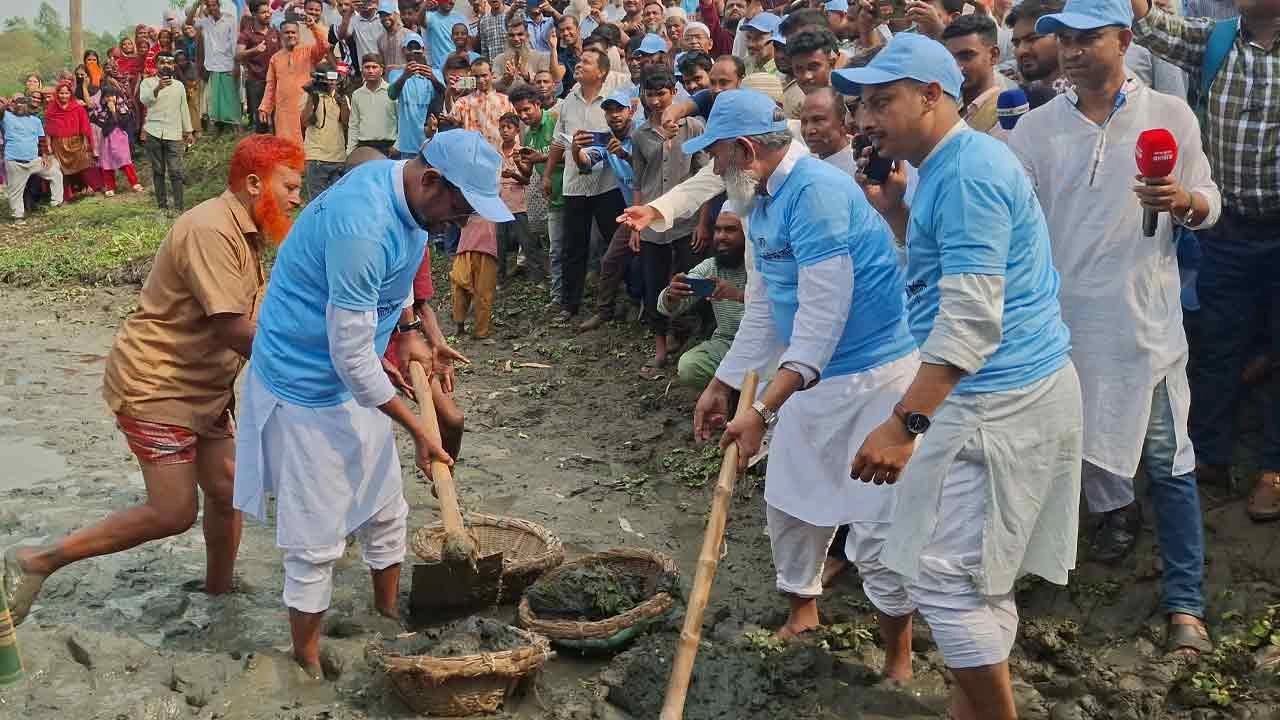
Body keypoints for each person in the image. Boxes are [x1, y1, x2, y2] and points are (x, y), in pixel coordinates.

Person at [836, 34, 1082, 720]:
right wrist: (895, 215)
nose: (865, 121)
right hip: (990, 390)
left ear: (932, 96)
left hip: (999, 398)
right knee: (977, 574)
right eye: (860, 106)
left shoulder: (968, 173)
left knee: (948, 582)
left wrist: (904, 423)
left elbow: (972, 320)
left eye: (882, 102)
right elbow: (950, 269)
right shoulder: (940, 167)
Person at [232, 130, 509, 677]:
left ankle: (386, 613)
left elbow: (399, 270)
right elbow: (352, 360)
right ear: (432, 181)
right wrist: (418, 429)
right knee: (316, 540)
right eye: (460, 205)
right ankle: (306, 662)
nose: (462, 218)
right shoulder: (363, 225)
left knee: (386, 511)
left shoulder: (408, 196)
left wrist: (408, 328)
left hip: (353, 376)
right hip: (305, 385)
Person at [1, 135, 305, 627]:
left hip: (202, 388)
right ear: (254, 183)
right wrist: (308, 368)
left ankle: (219, 594)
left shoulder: (246, 230)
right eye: (289, 186)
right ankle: (37, 560)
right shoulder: (210, 229)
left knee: (229, 491)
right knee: (173, 512)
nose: (296, 197)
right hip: (157, 385)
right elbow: (230, 326)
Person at [1006, 0, 1218, 656]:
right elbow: (1019, 233)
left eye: (1086, 38)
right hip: (1061, 328)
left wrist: (1186, 202)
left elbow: (1210, 201)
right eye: (1061, 39)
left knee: (1167, 457)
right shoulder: (1036, 131)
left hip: (1141, 328)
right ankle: (1024, 578)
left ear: (1124, 39)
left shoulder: (1168, 116)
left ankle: (1186, 604)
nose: (1070, 51)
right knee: (1047, 454)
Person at [688, 90, 920, 670]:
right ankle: (804, 607)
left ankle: (898, 653)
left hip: (875, 380)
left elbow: (820, 321)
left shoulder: (816, 195)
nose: (715, 170)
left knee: (877, 530)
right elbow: (768, 309)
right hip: (810, 379)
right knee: (789, 500)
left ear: (744, 149)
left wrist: (762, 411)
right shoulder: (758, 199)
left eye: (717, 156)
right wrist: (722, 383)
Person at [1126, 0, 1280, 523]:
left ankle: (1272, 471)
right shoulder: (1214, 41)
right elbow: (1148, 24)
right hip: (1226, 228)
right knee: (1216, 343)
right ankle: (1209, 456)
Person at [625, 66, 706, 375]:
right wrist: (634, 222)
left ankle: (691, 336)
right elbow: (637, 180)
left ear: (673, 93)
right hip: (650, 220)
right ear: (642, 96)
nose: (657, 101)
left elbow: (704, 175)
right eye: (650, 94)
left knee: (691, 280)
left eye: (662, 93)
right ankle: (660, 346)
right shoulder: (640, 133)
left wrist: (703, 222)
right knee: (652, 283)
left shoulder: (694, 128)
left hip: (686, 218)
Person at [545, 48, 627, 321]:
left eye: (586, 62)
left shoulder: (613, 101)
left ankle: (621, 300)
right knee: (573, 246)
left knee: (615, 244)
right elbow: (559, 140)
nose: (578, 65)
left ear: (601, 71)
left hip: (607, 184)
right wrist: (547, 175)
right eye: (579, 61)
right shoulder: (569, 99)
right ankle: (570, 304)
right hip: (574, 185)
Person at [659, 210, 747, 389]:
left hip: (765, 345)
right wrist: (672, 294)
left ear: (748, 233)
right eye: (718, 230)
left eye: (730, 230)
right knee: (689, 366)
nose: (721, 237)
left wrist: (737, 295)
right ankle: (728, 395)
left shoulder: (764, 267)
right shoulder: (711, 267)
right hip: (727, 344)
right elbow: (666, 307)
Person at [511, 84, 566, 304]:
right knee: (556, 249)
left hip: (570, 191)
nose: (523, 116)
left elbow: (573, 154)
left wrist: (541, 159)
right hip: (552, 198)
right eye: (519, 112)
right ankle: (558, 297)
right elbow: (529, 171)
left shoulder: (554, 121)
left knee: (571, 249)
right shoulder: (527, 133)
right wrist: (521, 164)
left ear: (537, 104)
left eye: (527, 110)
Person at [261, 18, 332, 144]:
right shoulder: (275, 58)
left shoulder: (309, 51)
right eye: (286, 32)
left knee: (309, 144)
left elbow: (325, 46)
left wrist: (314, 28)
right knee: (286, 147)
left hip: (307, 107)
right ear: (280, 35)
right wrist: (265, 107)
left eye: (293, 32)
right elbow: (271, 85)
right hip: (284, 111)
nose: (290, 35)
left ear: (299, 34)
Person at [140, 53, 196, 211]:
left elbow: (184, 109)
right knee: (158, 171)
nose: (166, 65)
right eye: (162, 62)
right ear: (156, 64)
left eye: (170, 63)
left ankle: (179, 207)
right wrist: (158, 88)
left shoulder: (179, 86)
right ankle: (162, 207)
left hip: (174, 133)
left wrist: (189, 131)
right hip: (154, 131)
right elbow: (144, 100)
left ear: (173, 66)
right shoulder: (148, 82)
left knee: (175, 171)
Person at [496, 112, 545, 281]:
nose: (504, 131)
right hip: (500, 203)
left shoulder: (522, 151)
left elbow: (525, 179)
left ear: (517, 130)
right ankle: (500, 276)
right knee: (499, 242)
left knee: (527, 242)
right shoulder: (497, 152)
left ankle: (536, 276)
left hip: (519, 203)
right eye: (502, 127)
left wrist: (513, 175)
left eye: (508, 127)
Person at [2, 96, 63, 221]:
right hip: (15, 161)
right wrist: (5, 104)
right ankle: (18, 216)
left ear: (29, 107)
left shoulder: (35, 121)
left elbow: (41, 140)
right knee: (15, 191)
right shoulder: (6, 117)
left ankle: (56, 203)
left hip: (34, 160)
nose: (20, 107)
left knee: (55, 173)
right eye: (17, 104)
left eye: (23, 104)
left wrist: (45, 155)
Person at [943, 14, 1005, 135]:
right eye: (949, 58)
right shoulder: (951, 108)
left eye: (966, 56)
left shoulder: (1004, 114)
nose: (956, 66)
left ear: (993, 55)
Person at [43, 81, 103, 202]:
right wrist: (48, 145)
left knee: (85, 164)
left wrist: (86, 142)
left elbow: (85, 126)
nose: (64, 96)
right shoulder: (51, 110)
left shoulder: (78, 108)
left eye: (66, 93)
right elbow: (48, 130)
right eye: (61, 93)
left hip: (76, 142)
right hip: (58, 145)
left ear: (70, 94)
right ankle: (66, 196)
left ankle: (97, 188)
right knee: (62, 170)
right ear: (57, 94)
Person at [302, 63, 350, 197]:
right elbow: (304, 121)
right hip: (316, 157)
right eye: (328, 79)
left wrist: (342, 101)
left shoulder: (342, 97)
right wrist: (311, 96)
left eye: (334, 79)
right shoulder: (312, 95)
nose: (332, 82)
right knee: (317, 202)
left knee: (338, 199)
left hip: (338, 156)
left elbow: (346, 122)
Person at [388, 34, 438, 158]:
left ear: (423, 50)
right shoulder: (395, 74)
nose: (413, 52)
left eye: (417, 49)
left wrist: (433, 78)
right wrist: (405, 75)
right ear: (403, 50)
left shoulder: (435, 72)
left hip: (430, 142)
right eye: (410, 48)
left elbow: (444, 94)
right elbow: (392, 94)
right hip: (407, 144)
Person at [238, 0, 284, 133]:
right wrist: (254, 50)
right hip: (256, 82)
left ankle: (278, 146)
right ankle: (262, 148)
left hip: (276, 81)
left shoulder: (275, 31)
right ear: (254, 14)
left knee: (278, 119)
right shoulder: (246, 34)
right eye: (263, 12)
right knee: (260, 121)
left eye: (269, 11)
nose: (268, 14)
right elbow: (238, 56)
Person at [89, 85, 144, 197]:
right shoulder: (100, 110)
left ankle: (134, 183)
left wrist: (114, 111)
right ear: (103, 98)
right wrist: (108, 112)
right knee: (107, 162)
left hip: (119, 137)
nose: (110, 98)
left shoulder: (122, 107)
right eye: (107, 96)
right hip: (106, 139)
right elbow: (100, 122)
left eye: (112, 96)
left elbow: (122, 123)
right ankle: (110, 186)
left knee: (124, 160)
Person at [451, 57, 516, 148]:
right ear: (470, 78)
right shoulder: (463, 102)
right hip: (473, 155)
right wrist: (450, 92)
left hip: (500, 155)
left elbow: (514, 132)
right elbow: (451, 119)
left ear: (492, 75)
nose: (480, 80)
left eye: (484, 75)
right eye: (476, 77)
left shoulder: (505, 101)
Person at [347, 53, 399, 156]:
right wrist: (350, 152)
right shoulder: (357, 95)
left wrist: (397, 146)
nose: (370, 71)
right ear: (362, 70)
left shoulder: (392, 92)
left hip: (388, 147)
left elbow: (401, 121)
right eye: (367, 67)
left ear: (382, 70)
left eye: (374, 67)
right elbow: (354, 125)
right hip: (364, 147)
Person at [799, 88, 854, 174]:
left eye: (818, 120)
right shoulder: (804, 165)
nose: (809, 130)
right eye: (804, 122)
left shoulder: (860, 167)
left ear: (843, 122)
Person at [495, 16, 553, 93]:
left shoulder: (541, 57)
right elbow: (492, 85)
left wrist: (528, 77)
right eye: (511, 35)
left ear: (527, 36)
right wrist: (504, 80)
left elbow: (546, 86)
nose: (516, 39)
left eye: (520, 34)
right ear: (507, 37)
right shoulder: (499, 59)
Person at [425, 0, 473, 70]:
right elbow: (420, 20)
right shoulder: (429, 17)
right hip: (439, 70)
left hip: (461, 69)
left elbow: (468, 44)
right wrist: (424, 6)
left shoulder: (461, 18)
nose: (450, 1)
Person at [377, 0, 411, 71]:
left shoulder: (409, 35)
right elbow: (382, 64)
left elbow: (418, 62)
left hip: (407, 79)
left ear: (396, 14)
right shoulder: (380, 39)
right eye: (382, 15)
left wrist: (398, 67)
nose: (385, 18)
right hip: (388, 80)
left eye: (388, 14)